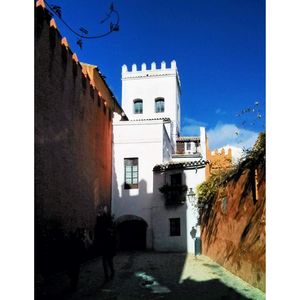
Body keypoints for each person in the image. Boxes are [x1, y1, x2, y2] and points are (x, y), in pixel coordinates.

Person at [95, 213, 116, 282]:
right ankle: (108, 274)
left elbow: (113, 243)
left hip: (107, 251)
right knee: (107, 263)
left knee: (107, 263)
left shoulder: (108, 234)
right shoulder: (108, 234)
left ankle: (110, 273)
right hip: (107, 251)